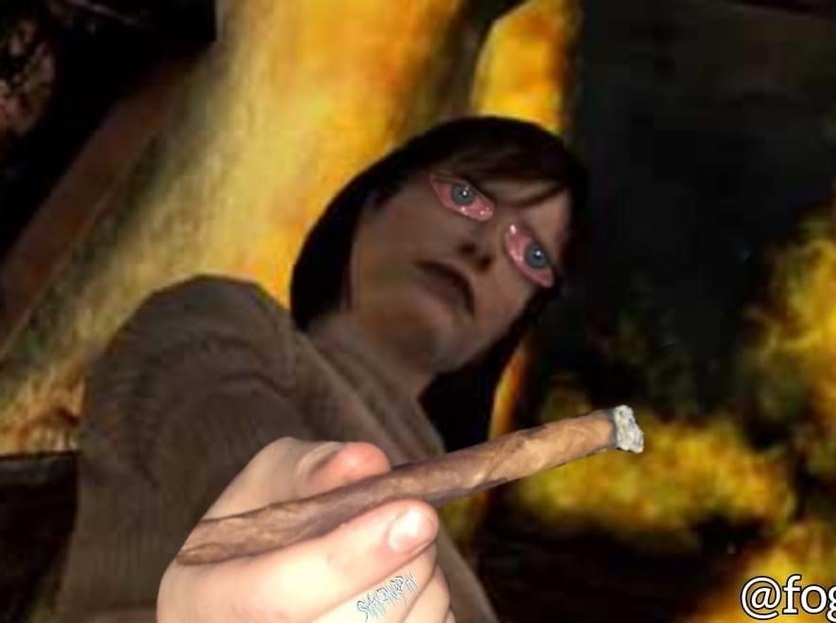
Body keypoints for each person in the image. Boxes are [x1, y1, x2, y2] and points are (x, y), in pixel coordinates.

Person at [52, 116, 590, 623]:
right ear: (374, 203)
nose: (484, 249)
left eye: (531, 255)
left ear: (516, 322)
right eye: (465, 197)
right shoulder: (223, 322)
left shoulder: (445, 533)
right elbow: (265, 497)